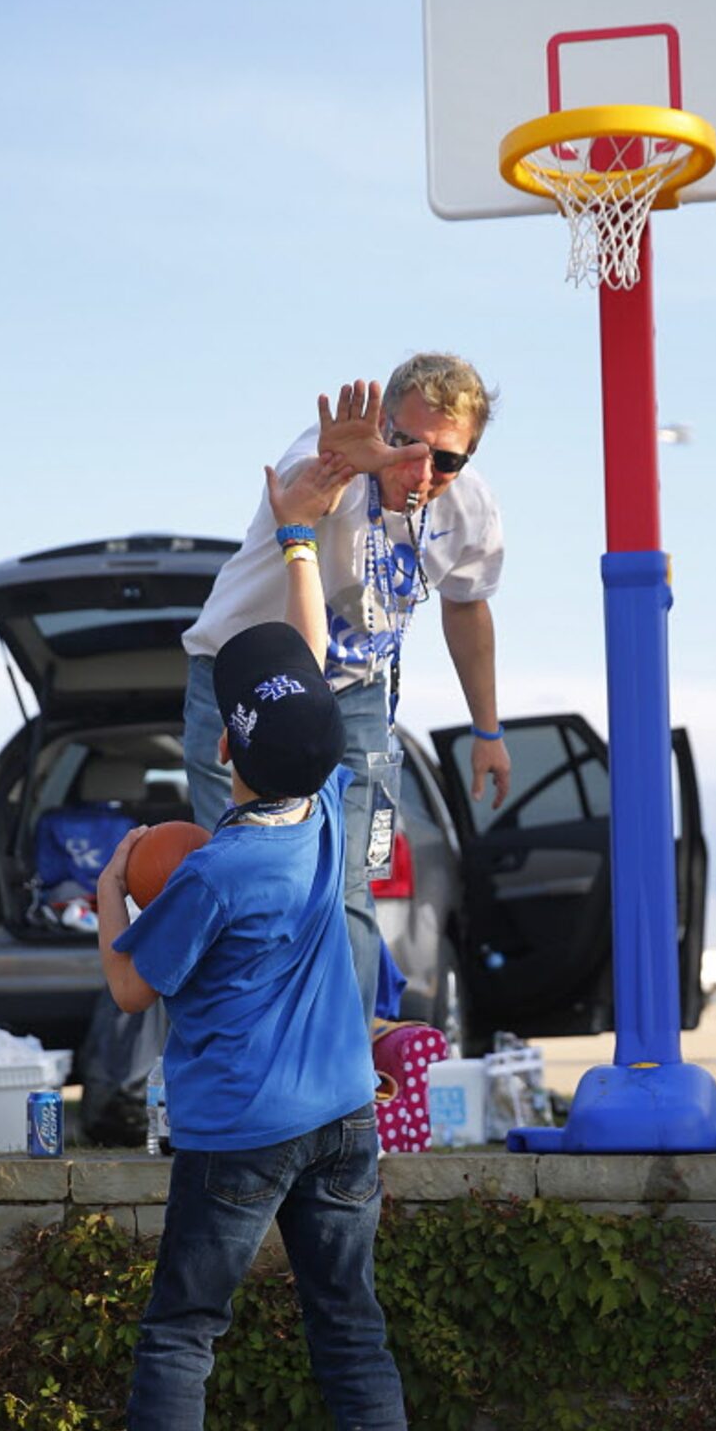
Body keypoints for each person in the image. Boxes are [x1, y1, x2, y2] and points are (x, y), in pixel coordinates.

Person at [95, 450, 437, 1431]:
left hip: (237, 1139)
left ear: (226, 763)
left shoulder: (209, 870)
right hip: (344, 1124)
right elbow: (314, 661)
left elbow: (133, 984)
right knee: (352, 1337)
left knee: (182, 1336)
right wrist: (300, 547)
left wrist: (106, 890)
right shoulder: (337, 802)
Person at [181, 358, 510, 1024]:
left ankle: (345, 1084)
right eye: (402, 444)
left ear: (468, 457)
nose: (418, 473)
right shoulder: (327, 453)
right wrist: (347, 466)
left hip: (350, 695)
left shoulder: (469, 509)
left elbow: (466, 607)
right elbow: (305, 498)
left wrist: (487, 730)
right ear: (380, 427)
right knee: (243, 877)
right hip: (247, 681)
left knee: (345, 886)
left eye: (444, 460)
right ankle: (242, 1067)